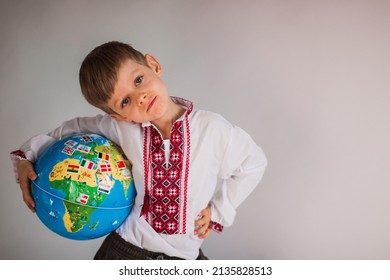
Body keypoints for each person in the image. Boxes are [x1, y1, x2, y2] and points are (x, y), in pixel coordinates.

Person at [10, 41, 267, 260]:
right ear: (118, 116)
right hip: (126, 250)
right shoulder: (122, 129)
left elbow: (253, 162)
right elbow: (69, 130)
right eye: (125, 101)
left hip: (186, 257)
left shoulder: (212, 128)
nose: (140, 97)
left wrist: (219, 211)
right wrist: (27, 156)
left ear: (153, 65)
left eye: (138, 80)